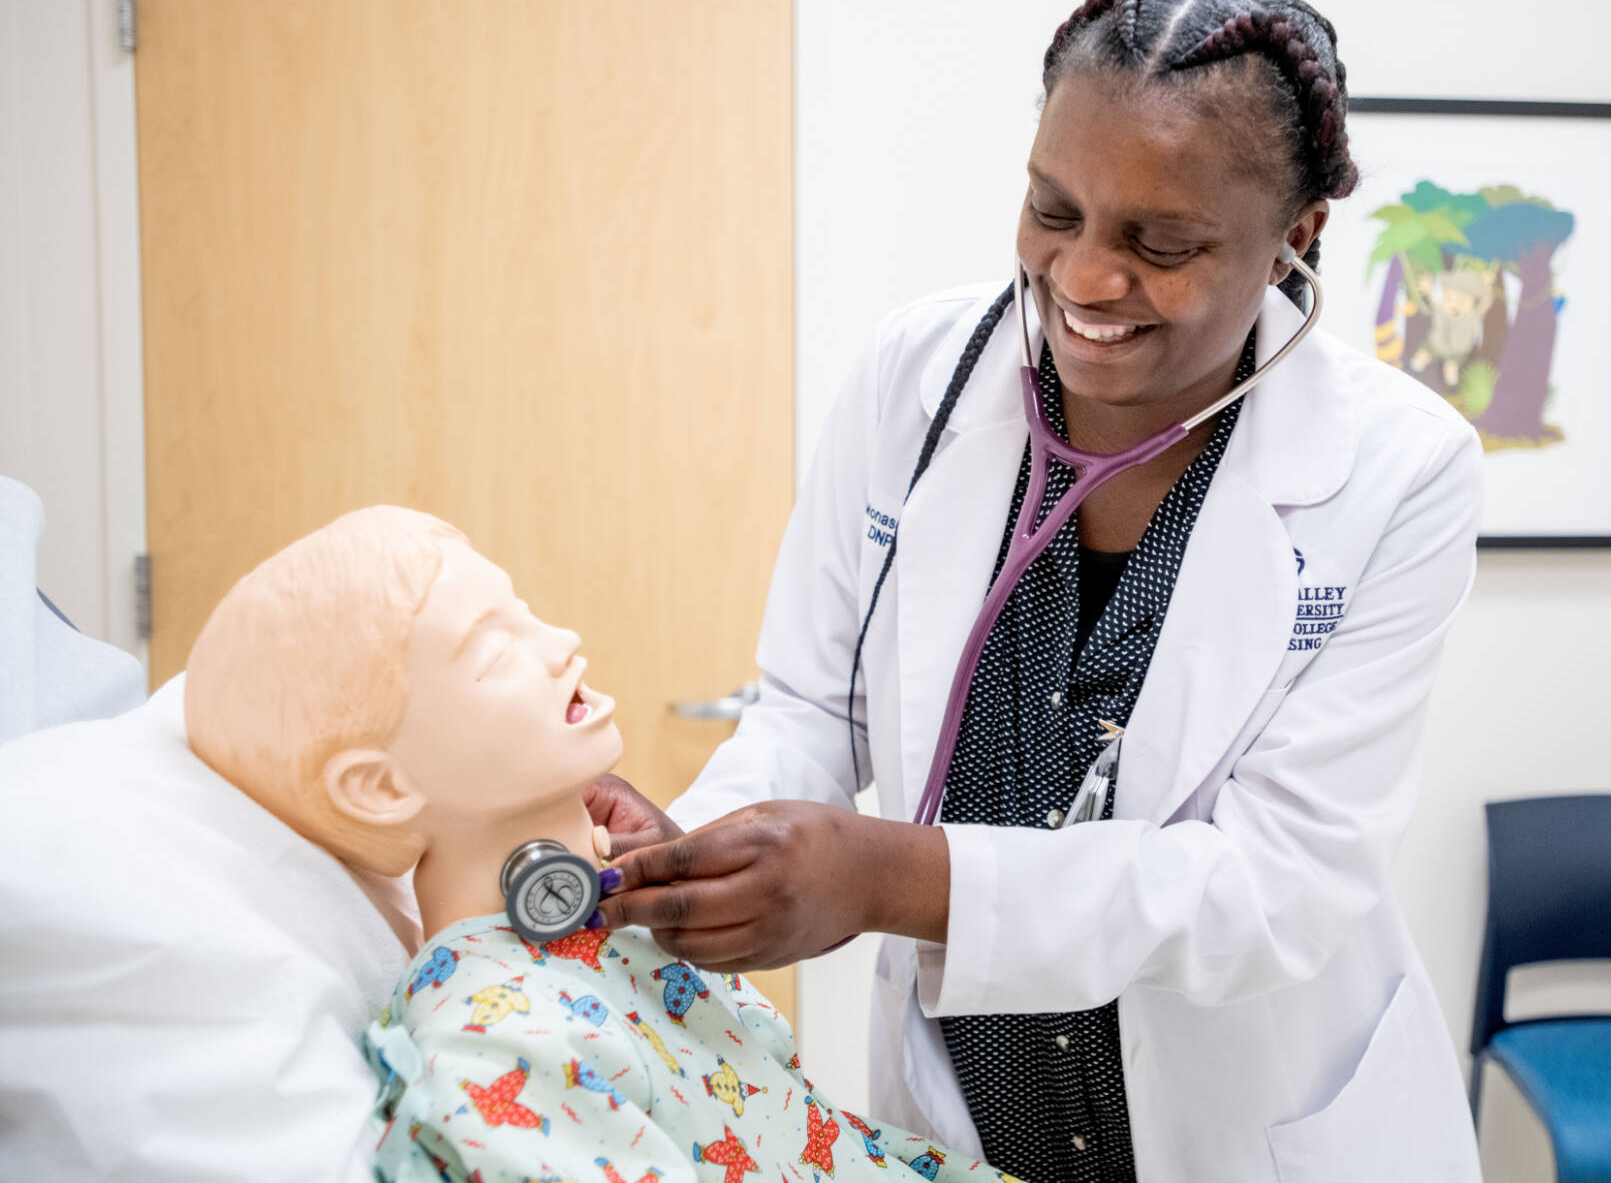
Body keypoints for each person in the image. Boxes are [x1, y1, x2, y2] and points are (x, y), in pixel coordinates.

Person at [590, 0, 1486, 1182]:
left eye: (1159, 243)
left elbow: (1273, 885)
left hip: (1250, 1129)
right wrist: (700, 846)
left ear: (1297, 239)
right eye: (1051, 210)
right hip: (969, 1122)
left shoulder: (1396, 468)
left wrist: (883, 876)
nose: (1083, 278)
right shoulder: (918, 376)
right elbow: (812, 706)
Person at [182, 507, 1018, 1183]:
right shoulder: (493, 1048)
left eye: (525, 612)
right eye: (493, 647)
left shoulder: (607, 940)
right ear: (380, 788)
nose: (560, 642)